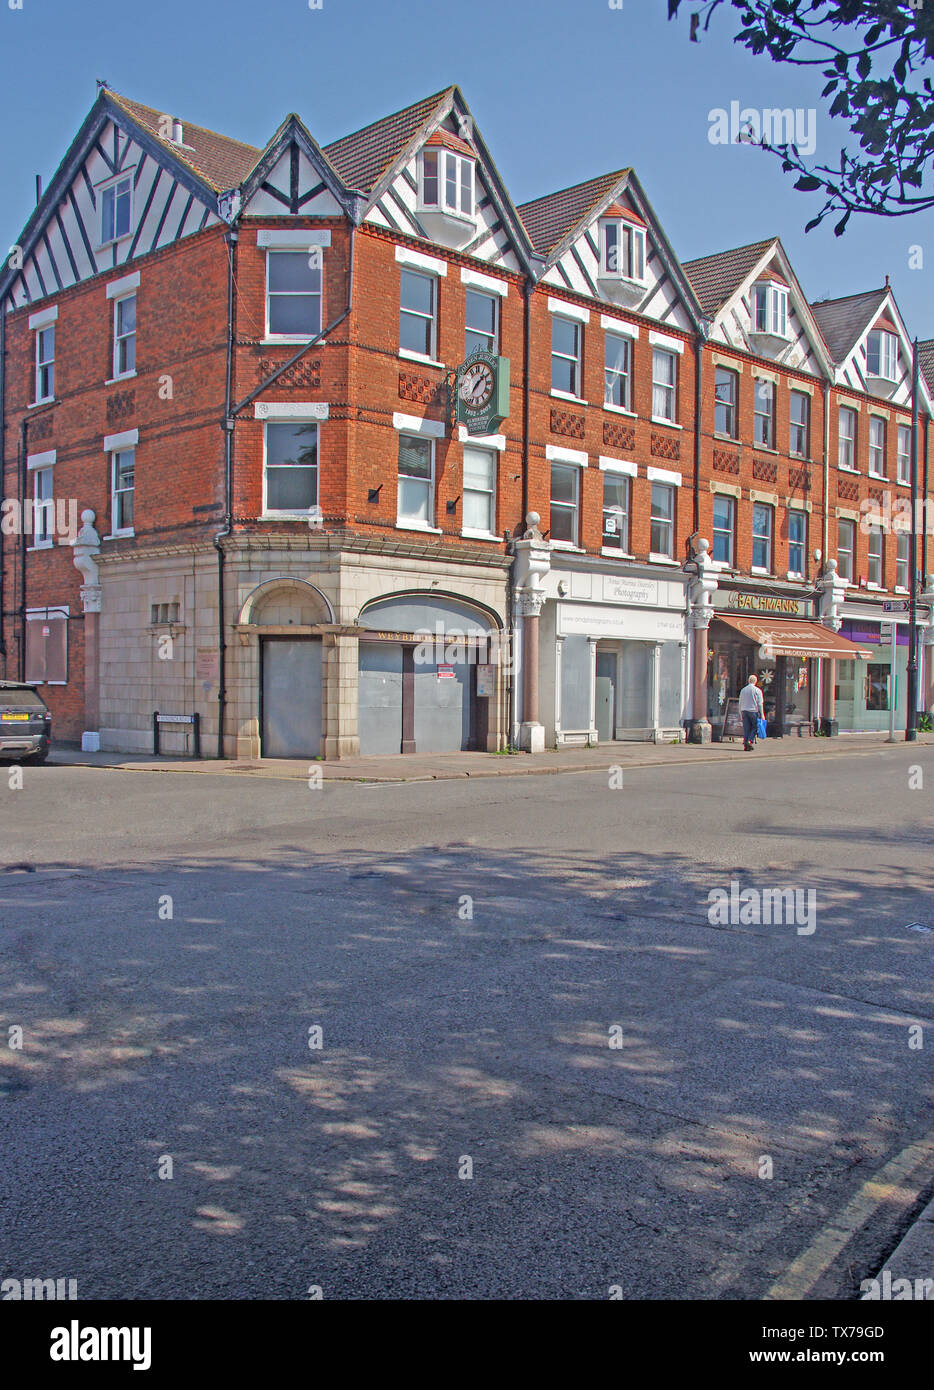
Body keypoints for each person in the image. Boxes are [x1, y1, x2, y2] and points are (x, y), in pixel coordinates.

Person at [738, 673, 764, 751]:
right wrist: (762, 714)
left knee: (746, 728)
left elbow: (740, 702)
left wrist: (740, 713)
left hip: (744, 711)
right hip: (753, 711)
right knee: (755, 727)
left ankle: (746, 745)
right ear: (755, 681)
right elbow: (760, 703)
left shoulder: (743, 690)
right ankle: (750, 740)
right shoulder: (757, 690)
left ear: (749, 681)